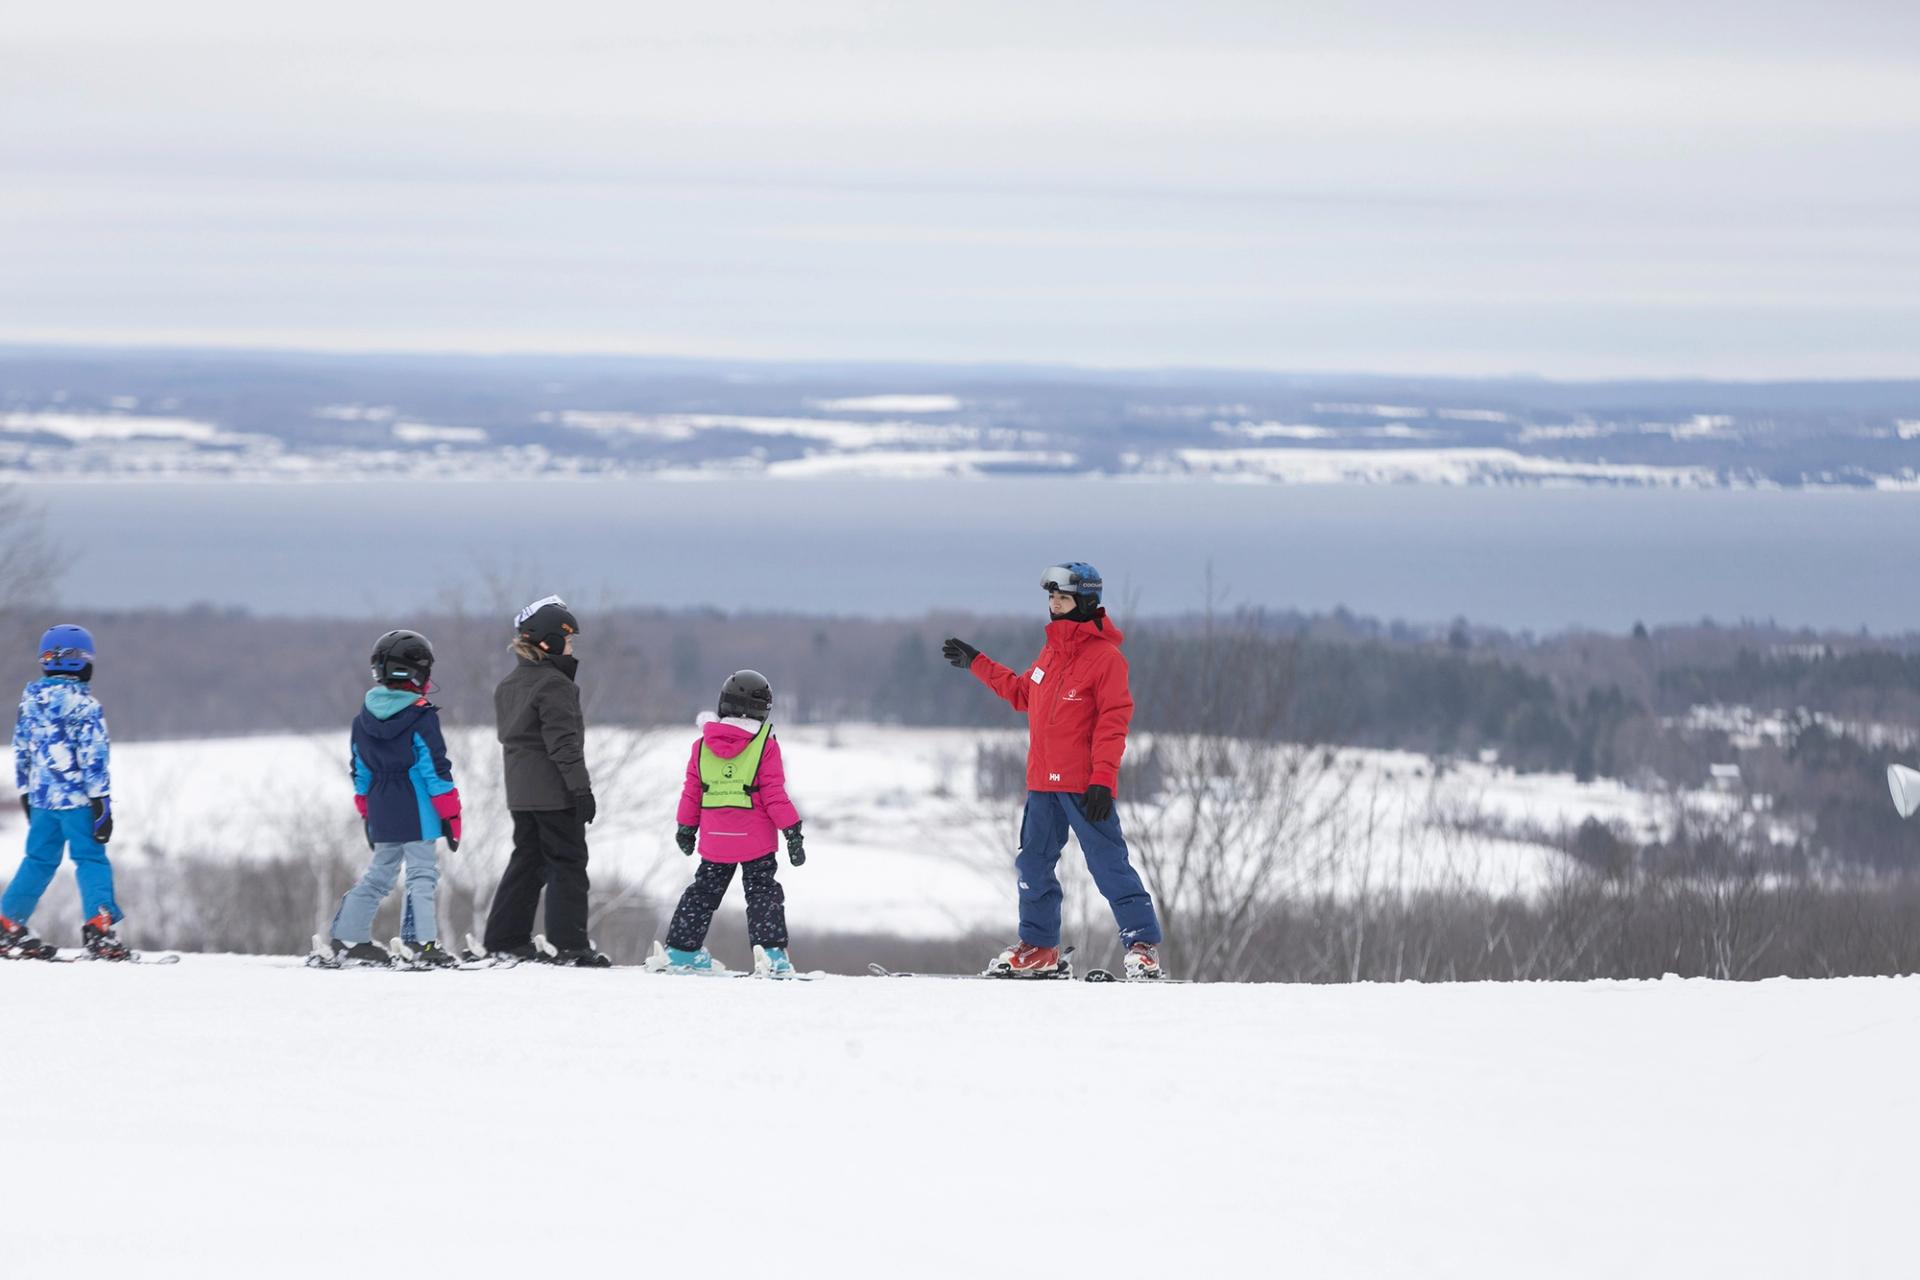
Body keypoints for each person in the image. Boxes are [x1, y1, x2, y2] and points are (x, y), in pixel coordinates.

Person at [942, 563, 1165, 979]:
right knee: (1032, 865)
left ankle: (1142, 945)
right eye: (1051, 598)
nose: (1054, 606)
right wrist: (977, 662)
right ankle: (1040, 948)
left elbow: (1113, 724)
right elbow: (1022, 693)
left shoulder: (1106, 660)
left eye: (1062, 598)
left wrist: (1103, 779)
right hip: (1043, 783)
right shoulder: (1051, 654)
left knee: (1108, 865)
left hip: (1084, 785)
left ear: (1085, 601)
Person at [317, 629, 462, 969]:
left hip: (382, 806)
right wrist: (451, 814)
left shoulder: (362, 720)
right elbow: (434, 770)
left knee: (379, 874)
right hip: (418, 807)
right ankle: (420, 943)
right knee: (422, 874)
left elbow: (361, 771)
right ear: (419, 672)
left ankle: (349, 937)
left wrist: (367, 811)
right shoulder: (422, 717)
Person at [480, 596, 609, 967]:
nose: (571, 649)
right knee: (568, 862)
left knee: (528, 861)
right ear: (550, 642)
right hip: (554, 792)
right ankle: (569, 945)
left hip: (520, 792)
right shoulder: (555, 685)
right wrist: (580, 789)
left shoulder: (510, 683)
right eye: (568, 642)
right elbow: (563, 744)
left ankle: (505, 937)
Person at [657, 670, 805, 976]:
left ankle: (681, 952)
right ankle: (772, 956)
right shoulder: (765, 746)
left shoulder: (701, 747)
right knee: (763, 892)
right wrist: (792, 831)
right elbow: (775, 795)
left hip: (715, 840)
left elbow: (691, 793)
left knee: (702, 892)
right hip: (755, 841)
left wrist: (686, 828)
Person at [0, 624, 124, 961]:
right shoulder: (85, 706)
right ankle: (99, 929)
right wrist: (102, 803)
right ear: (83, 662)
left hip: (41, 801)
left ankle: (7, 924)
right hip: (79, 802)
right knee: (90, 859)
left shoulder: (31, 703)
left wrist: (26, 791)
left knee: (38, 860)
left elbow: (22, 750)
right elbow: (93, 758)